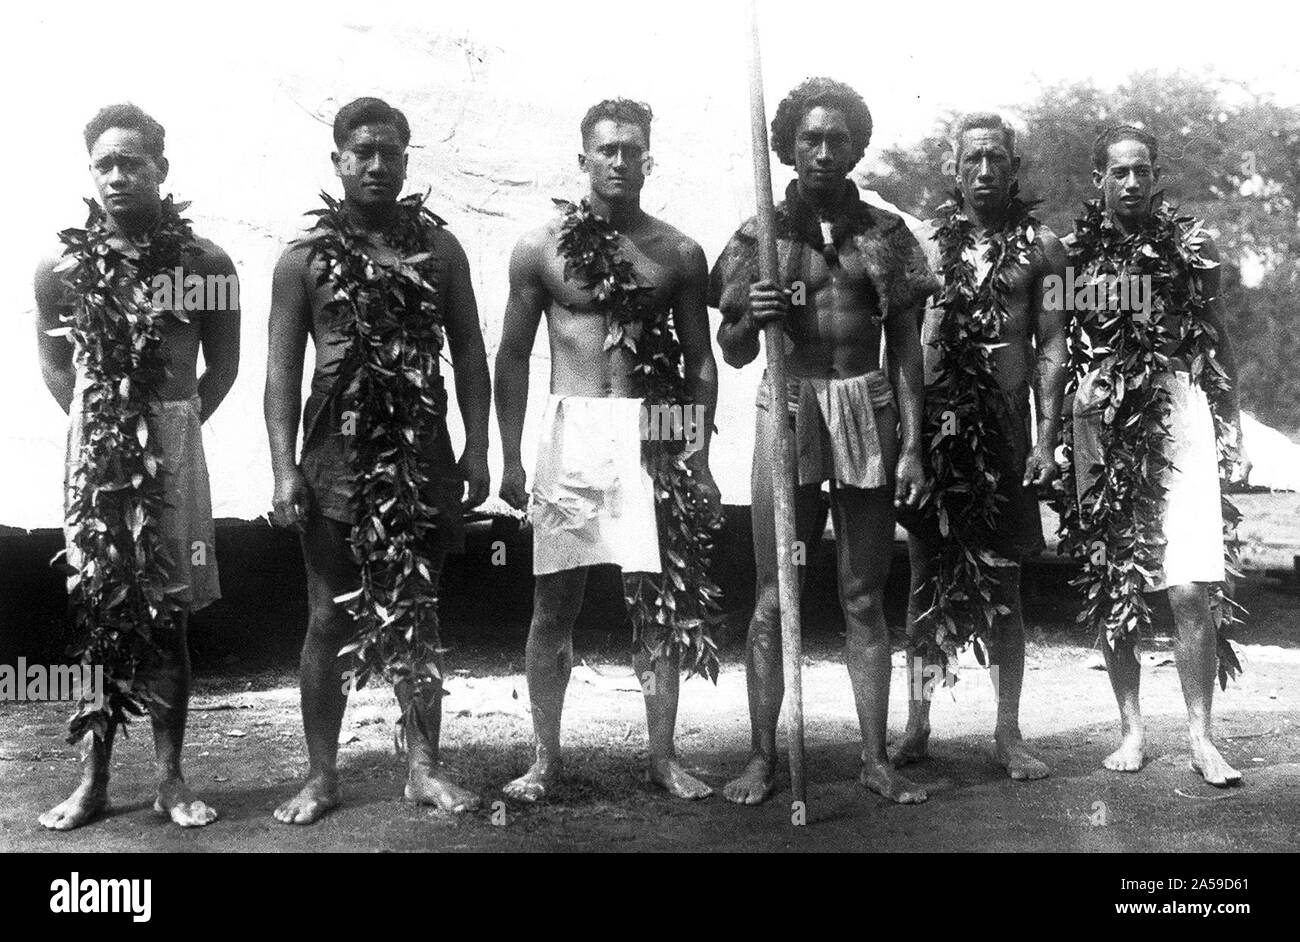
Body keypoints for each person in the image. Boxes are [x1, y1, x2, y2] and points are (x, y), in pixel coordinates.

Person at [265, 97, 491, 823]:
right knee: (329, 616)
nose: (375, 165)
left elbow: (471, 357)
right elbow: (280, 376)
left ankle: (424, 767)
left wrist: (478, 448)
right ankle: (322, 774)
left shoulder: (441, 250)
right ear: (338, 161)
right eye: (360, 152)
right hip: (333, 452)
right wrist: (283, 470)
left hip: (422, 450)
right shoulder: (302, 259)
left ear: (405, 160)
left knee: (419, 609)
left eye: (389, 152)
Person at [712, 78, 935, 805]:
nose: (823, 152)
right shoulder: (761, 239)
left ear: (856, 147)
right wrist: (755, 315)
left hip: (865, 407)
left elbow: (905, 348)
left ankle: (874, 758)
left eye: (838, 139)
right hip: (790, 403)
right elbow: (735, 349)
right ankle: (761, 759)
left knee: (863, 595)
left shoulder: (886, 236)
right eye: (810, 139)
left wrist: (913, 448)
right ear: (787, 146)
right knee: (776, 598)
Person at [495, 98, 721, 802]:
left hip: (650, 432)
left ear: (649, 156)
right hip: (574, 431)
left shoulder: (678, 252)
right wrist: (510, 458)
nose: (620, 161)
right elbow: (510, 355)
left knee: (656, 603)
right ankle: (543, 758)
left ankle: (662, 757)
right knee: (554, 606)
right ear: (583, 158)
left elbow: (700, 361)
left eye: (632, 149)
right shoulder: (541, 248)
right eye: (607, 149)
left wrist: (698, 455)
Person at [35, 103, 240, 829]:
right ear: (91, 172)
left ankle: (170, 778)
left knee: (168, 617)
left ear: (162, 169)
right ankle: (91, 782)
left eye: (133, 162)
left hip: (174, 451)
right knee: (98, 613)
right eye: (104, 164)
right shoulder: (60, 267)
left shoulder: (203, 264)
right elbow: (55, 364)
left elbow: (224, 367)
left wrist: (170, 433)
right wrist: (101, 428)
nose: (118, 175)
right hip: (97, 455)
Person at [1061, 125, 1249, 786]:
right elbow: (1061, 349)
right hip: (1105, 415)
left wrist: (1233, 429)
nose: (1133, 182)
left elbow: (1219, 343)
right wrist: (1063, 430)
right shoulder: (1072, 258)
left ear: (1156, 173)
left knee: (1190, 586)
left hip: (1182, 411)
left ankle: (1201, 736)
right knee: (1117, 583)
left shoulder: (1190, 250)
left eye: (1143, 170)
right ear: (1099, 180)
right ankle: (1132, 729)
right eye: (1120, 172)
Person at [893, 113, 1067, 780]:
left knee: (1006, 583)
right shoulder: (925, 246)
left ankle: (1007, 732)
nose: (985, 172)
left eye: (997, 159)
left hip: (1007, 436)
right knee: (923, 578)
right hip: (939, 434)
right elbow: (905, 346)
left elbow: (1053, 344)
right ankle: (916, 724)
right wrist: (909, 440)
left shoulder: (1046, 248)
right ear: (955, 169)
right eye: (973, 160)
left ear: (1014, 167)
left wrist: (1048, 440)